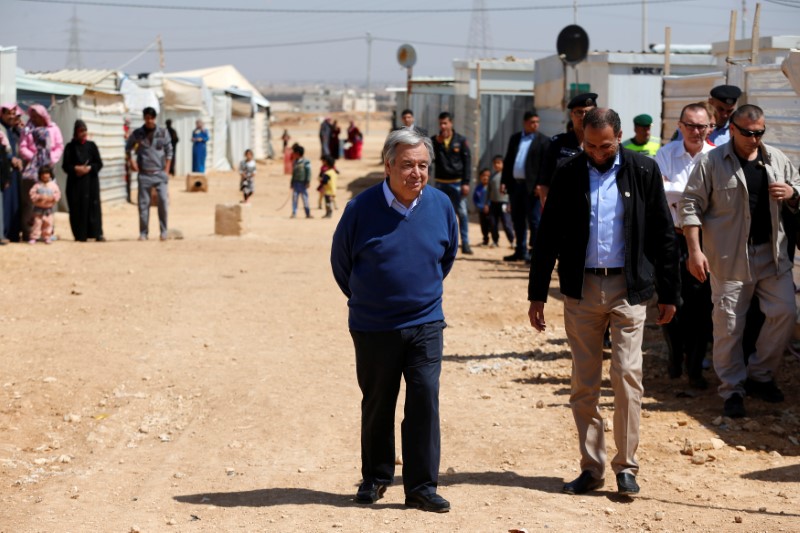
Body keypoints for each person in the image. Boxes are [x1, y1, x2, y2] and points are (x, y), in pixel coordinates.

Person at [529, 108, 679, 497]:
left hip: (628, 291)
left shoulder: (643, 171)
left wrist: (669, 291)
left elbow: (663, 233)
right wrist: (537, 294)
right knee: (584, 383)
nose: (597, 152)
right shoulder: (569, 173)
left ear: (620, 137)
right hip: (581, 290)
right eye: (590, 145)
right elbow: (548, 237)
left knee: (628, 376)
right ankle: (591, 467)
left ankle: (626, 467)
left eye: (606, 145)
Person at [331, 127, 458, 513]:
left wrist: (421, 298)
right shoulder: (360, 208)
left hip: (425, 323)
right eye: (407, 165)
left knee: (424, 401)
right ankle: (376, 477)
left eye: (422, 165)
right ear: (388, 166)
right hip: (374, 326)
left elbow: (445, 257)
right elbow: (342, 264)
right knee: (378, 402)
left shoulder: (441, 205)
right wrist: (370, 301)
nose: (416, 173)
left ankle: (421, 486)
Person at [680, 104, 800, 418]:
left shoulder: (775, 158)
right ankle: (732, 389)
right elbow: (690, 206)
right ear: (732, 128)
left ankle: (760, 375)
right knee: (729, 326)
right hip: (728, 258)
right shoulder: (712, 162)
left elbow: (798, 186)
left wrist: (792, 192)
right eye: (747, 132)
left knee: (785, 311)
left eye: (759, 132)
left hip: (772, 255)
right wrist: (695, 250)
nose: (754, 138)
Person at [655, 103, 715, 389]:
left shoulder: (716, 156)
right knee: (670, 300)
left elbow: (715, 200)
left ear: (710, 128)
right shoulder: (665, 154)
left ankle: (695, 369)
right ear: (679, 126)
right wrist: (695, 194)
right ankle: (674, 355)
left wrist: (678, 193)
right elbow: (659, 193)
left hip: (706, 241)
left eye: (702, 126)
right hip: (671, 238)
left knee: (702, 307)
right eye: (690, 125)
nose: (696, 131)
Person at [501, 109, 550, 262]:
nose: (535, 125)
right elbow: (508, 160)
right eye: (532, 122)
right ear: (525, 123)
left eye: (537, 122)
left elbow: (545, 165)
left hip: (532, 188)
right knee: (517, 219)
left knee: (534, 220)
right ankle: (520, 250)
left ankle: (534, 252)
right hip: (516, 186)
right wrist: (504, 180)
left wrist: (541, 185)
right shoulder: (515, 138)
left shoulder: (543, 141)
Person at [537, 93, 599, 206]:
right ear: (572, 115)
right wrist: (548, 211)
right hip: (564, 208)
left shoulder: (603, 144)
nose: (583, 116)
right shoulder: (557, 144)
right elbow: (544, 182)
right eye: (579, 112)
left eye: (588, 112)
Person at [126, 107, 173, 241]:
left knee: (163, 202)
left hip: (160, 174)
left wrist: (167, 171)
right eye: (147, 118)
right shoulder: (138, 134)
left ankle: (164, 231)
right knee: (143, 204)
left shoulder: (163, 133)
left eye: (151, 118)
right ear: (144, 118)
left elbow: (169, 152)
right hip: (144, 174)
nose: (149, 121)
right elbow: (128, 148)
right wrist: (131, 161)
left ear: (155, 118)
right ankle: (143, 232)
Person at [19, 105, 64, 242]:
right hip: (32, 167)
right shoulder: (27, 130)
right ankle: (29, 232)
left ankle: (47, 232)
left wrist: (50, 159)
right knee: (31, 199)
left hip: (47, 168)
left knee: (48, 197)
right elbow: (23, 146)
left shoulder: (53, 129)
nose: (34, 118)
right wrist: (34, 157)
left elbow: (59, 146)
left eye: (37, 115)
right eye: (32, 115)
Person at [431, 111, 472, 255]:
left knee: (462, 213)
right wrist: (436, 143)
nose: (442, 126)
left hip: (457, 183)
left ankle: (465, 243)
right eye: (440, 123)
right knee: (440, 214)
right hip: (440, 183)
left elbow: (467, 163)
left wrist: (466, 182)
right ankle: (442, 243)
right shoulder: (435, 141)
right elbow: (429, 161)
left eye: (445, 123)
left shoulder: (460, 140)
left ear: (451, 123)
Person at [63, 119, 105, 242]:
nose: (83, 133)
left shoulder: (91, 146)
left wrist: (89, 168)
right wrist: (76, 168)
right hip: (75, 184)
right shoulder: (70, 147)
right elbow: (65, 166)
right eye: (81, 131)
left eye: (85, 130)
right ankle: (80, 235)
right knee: (77, 208)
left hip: (90, 182)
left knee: (93, 207)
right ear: (76, 132)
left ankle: (97, 233)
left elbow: (99, 163)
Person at [1, 103, 23, 242]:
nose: (11, 116)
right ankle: (3, 232)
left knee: (15, 201)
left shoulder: (13, 130)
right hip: (3, 170)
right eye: (8, 113)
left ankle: (13, 233)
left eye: (13, 113)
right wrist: (11, 158)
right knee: (5, 202)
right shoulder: (1, 128)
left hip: (14, 171)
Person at [28, 166, 61, 244]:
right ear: (40, 175)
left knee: (48, 223)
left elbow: (58, 194)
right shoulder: (37, 185)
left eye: (47, 173)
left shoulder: (53, 185)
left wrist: (52, 198)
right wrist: (39, 197)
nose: (45, 175)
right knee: (37, 223)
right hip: (38, 208)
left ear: (50, 175)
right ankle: (34, 237)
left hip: (48, 209)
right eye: (43, 174)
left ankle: (47, 236)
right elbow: (32, 194)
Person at [487, 155, 514, 248]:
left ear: (503, 164)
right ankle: (495, 241)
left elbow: (511, 191)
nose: (496, 165)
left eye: (499, 163)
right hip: (493, 203)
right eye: (495, 163)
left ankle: (512, 241)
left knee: (506, 223)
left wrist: (510, 203)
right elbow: (488, 191)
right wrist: (487, 203)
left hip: (504, 203)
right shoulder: (492, 176)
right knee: (493, 223)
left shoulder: (507, 176)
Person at [289, 143, 312, 219]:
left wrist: (308, 181)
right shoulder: (295, 162)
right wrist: (292, 182)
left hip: (303, 184)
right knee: (295, 199)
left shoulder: (306, 162)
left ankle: (307, 213)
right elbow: (293, 173)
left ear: (297, 153)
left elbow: (308, 172)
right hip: (296, 183)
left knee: (305, 199)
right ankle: (294, 212)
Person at [473, 168, 491, 246]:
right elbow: (475, 199)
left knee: (492, 225)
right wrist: (481, 207)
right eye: (483, 175)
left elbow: (492, 198)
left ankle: (495, 240)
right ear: (480, 177)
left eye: (487, 176)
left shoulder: (491, 188)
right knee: (484, 226)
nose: (485, 177)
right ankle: (485, 240)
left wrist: (488, 206)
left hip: (491, 210)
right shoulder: (478, 188)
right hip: (482, 210)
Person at [319, 154, 338, 218]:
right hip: (333, 190)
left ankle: (328, 214)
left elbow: (324, 182)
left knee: (328, 203)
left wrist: (321, 179)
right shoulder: (333, 172)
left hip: (328, 191)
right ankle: (329, 213)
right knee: (330, 203)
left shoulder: (327, 173)